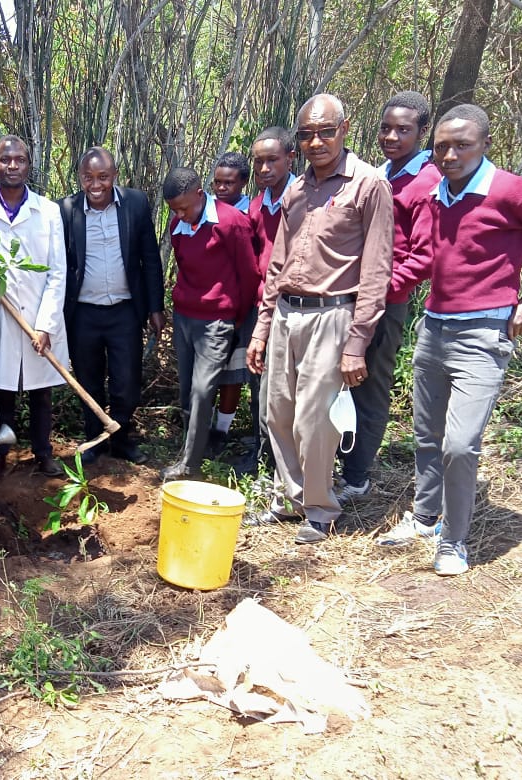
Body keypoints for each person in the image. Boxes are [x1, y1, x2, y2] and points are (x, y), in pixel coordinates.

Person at [379, 104, 522, 574]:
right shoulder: (434, 194)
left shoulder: (512, 191)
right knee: (427, 435)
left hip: (484, 333)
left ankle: (454, 542)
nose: (450, 154)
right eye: (441, 146)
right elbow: (423, 257)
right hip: (434, 329)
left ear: (485, 144)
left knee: (460, 444)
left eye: (462, 145)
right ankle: (424, 519)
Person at [246, 93, 393, 543]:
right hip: (287, 314)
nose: (316, 142)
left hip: (332, 316)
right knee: (277, 411)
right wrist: (262, 327)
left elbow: (376, 268)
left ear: (344, 130)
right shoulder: (296, 189)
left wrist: (357, 342)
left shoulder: (368, 185)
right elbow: (278, 264)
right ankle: (288, 499)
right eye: (306, 135)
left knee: (315, 418)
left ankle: (320, 509)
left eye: (325, 132)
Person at [336, 91, 440, 503]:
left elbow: (424, 256)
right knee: (342, 381)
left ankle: (357, 478)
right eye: (385, 128)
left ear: (421, 132)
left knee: (369, 385)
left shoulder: (426, 182)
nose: (392, 136)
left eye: (403, 130)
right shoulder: (380, 173)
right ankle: (339, 464)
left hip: (384, 300)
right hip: (350, 295)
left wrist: (381, 290)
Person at [59, 146, 165, 466]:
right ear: (79, 178)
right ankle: (94, 438)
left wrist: (155, 307)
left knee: (126, 380)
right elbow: (59, 264)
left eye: (103, 177)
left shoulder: (135, 203)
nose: (95, 184)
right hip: (83, 313)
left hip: (124, 310)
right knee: (88, 379)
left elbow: (149, 258)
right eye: (88, 177)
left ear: (115, 176)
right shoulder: (65, 210)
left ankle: (120, 438)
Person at [0, 135, 68, 482]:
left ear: (29, 164)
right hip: (2, 315)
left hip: (38, 315)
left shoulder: (48, 211)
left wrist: (45, 325)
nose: (12, 165)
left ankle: (43, 452)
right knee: (4, 391)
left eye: (20, 159)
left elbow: (57, 272)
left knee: (42, 390)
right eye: (5, 159)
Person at [161, 166, 258, 480]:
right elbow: (184, 264)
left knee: (204, 391)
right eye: (175, 210)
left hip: (216, 320)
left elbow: (249, 275)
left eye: (185, 207)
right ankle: (191, 448)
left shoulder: (231, 223)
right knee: (188, 389)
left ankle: (190, 465)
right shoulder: (178, 224)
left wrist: (234, 318)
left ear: (200, 194)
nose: (181, 214)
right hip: (185, 316)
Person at [236, 127, 296, 475]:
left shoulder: (303, 198)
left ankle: (284, 461)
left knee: (287, 387)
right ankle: (263, 452)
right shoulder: (258, 204)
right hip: (262, 307)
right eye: (258, 162)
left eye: (272, 160)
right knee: (260, 382)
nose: (264, 168)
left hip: (293, 307)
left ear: (291, 158)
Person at [208, 151, 258, 456]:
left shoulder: (251, 213)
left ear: (243, 182)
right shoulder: (204, 210)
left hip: (240, 306)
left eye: (229, 183)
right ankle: (202, 425)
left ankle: (222, 431)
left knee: (234, 370)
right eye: (217, 182)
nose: (222, 188)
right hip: (210, 307)